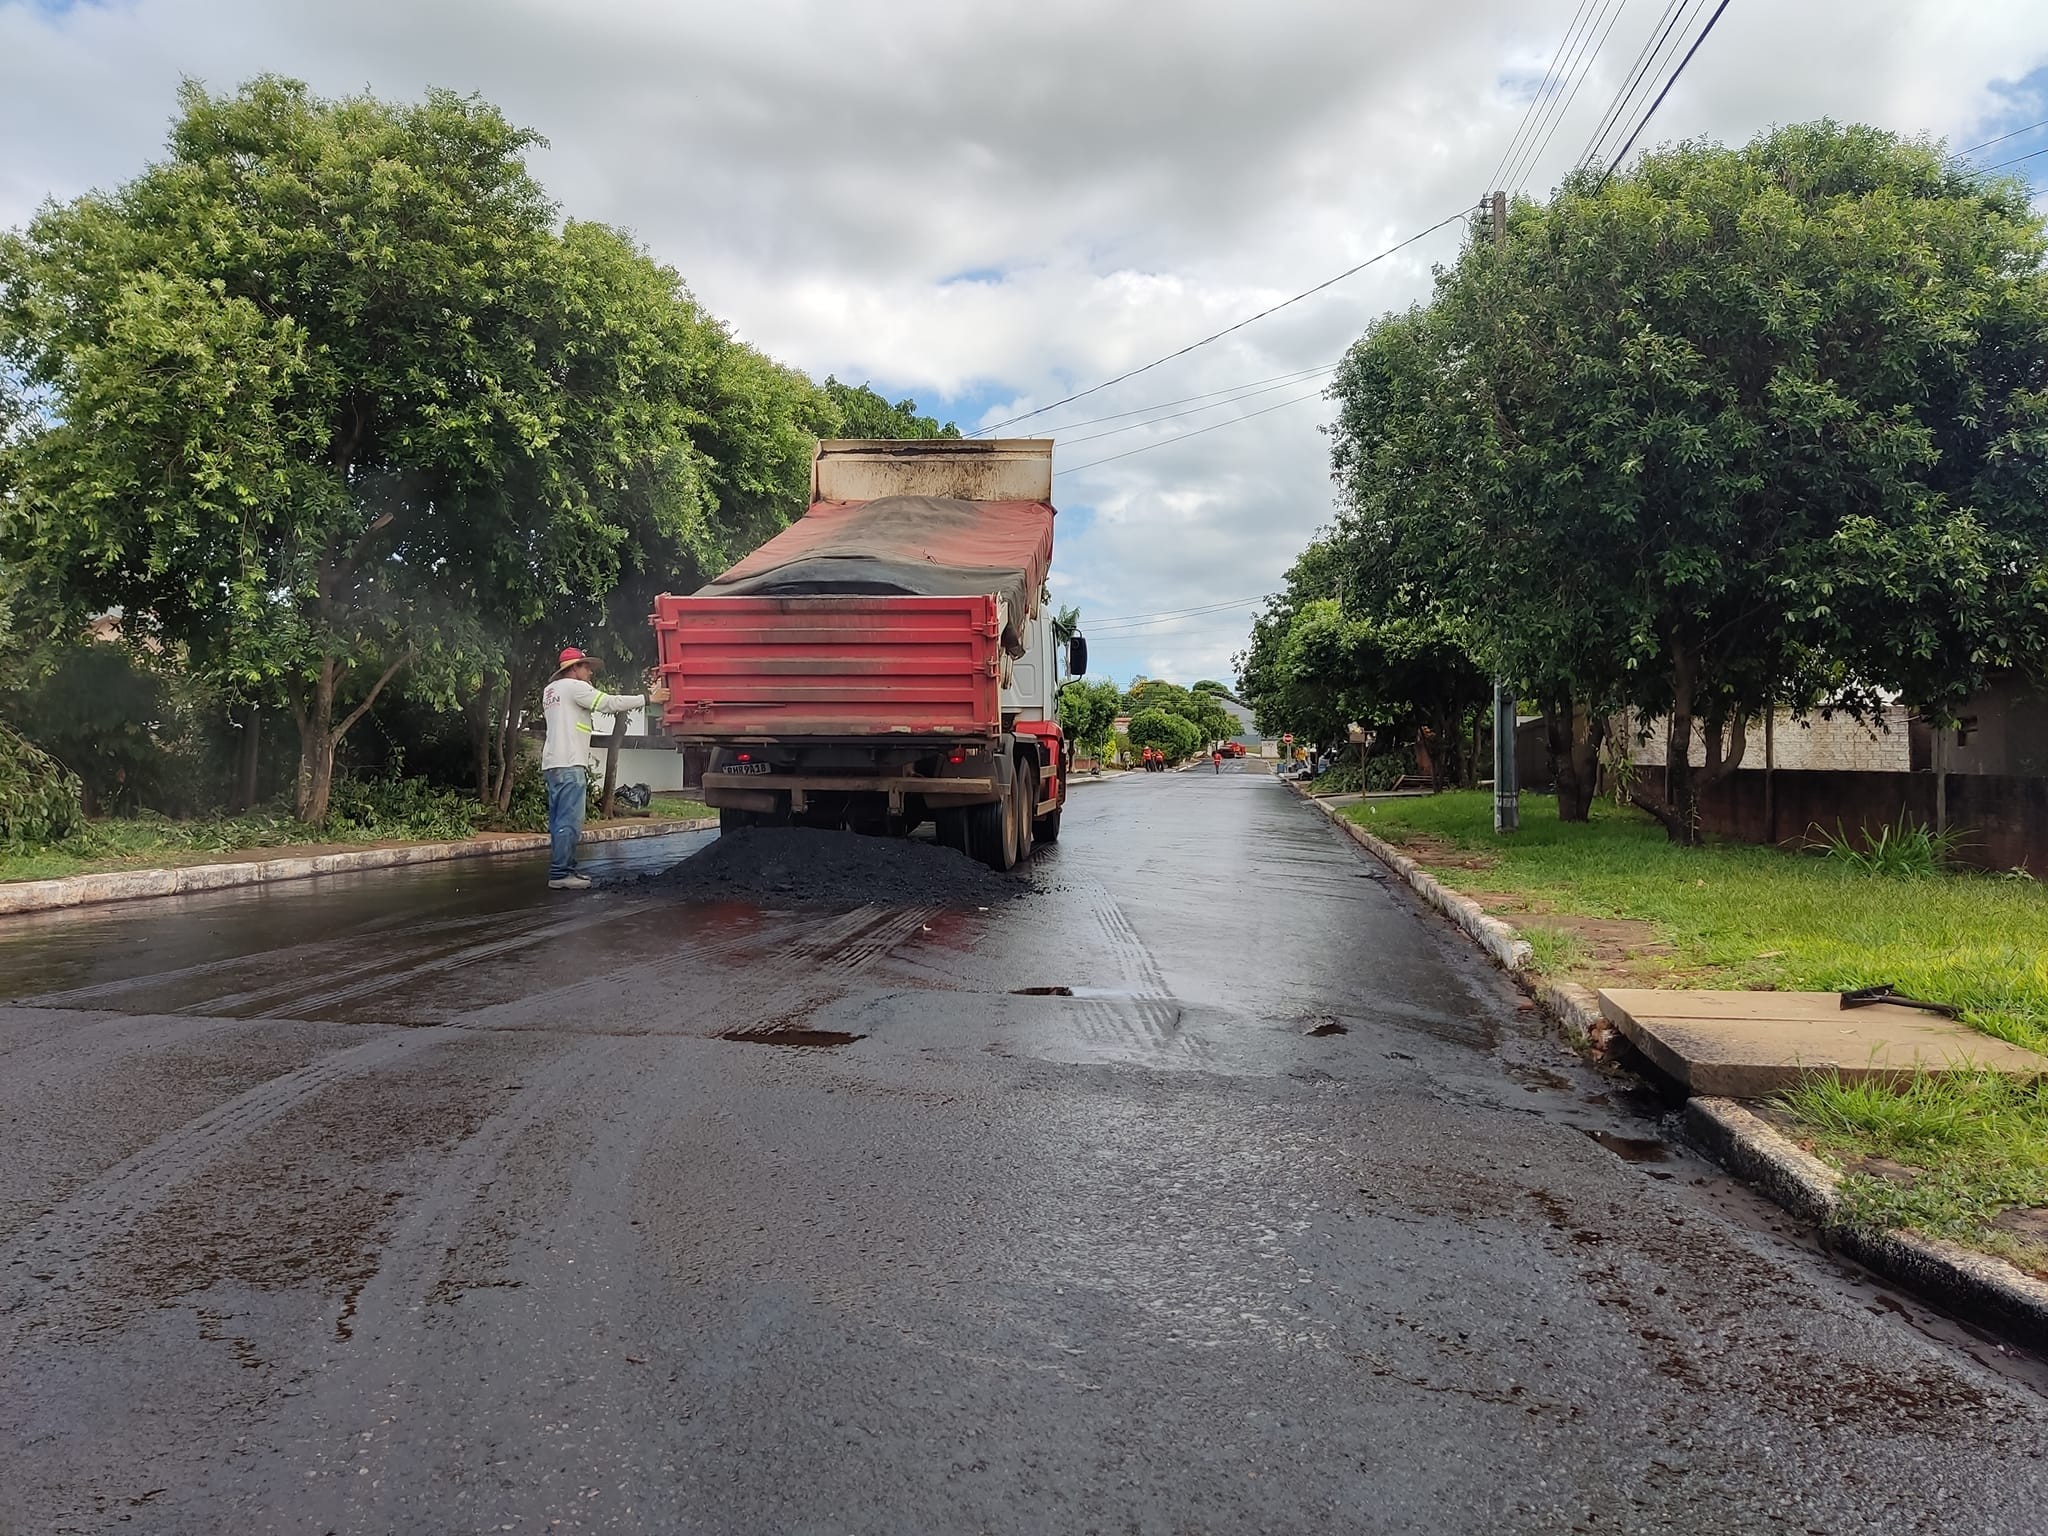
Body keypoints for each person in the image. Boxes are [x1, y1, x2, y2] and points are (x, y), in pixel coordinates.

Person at [539, 647, 664, 891]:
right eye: (586, 667)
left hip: (553, 763)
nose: (590, 672)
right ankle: (560, 874)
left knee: (558, 821)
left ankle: (565, 869)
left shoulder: (551, 690)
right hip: (569, 763)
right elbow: (609, 703)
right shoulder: (574, 687)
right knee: (570, 820)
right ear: (573, 668)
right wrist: (648, 698)